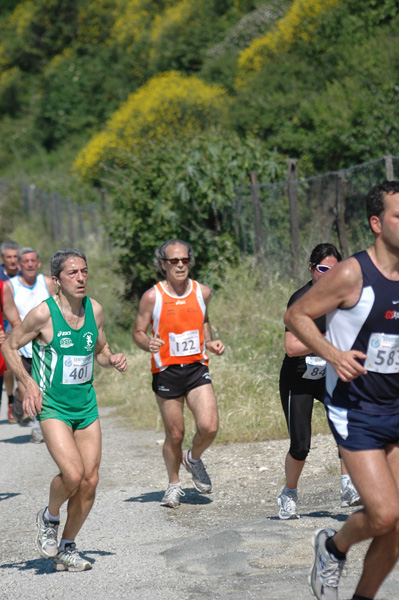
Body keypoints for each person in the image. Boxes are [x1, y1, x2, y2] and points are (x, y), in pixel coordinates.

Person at [284, 181, 399, 600]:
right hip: (356, 409)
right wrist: (333, 354)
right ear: (376, 223)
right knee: (385, 513)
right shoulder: (352, 273)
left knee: (397, 524)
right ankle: (332, 548)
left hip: (395, 405)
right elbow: (296, 315)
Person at [2, 248, 127, 572]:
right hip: (53, 406)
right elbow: (9, 345)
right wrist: (28, 383)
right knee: (72, 474)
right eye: (73, 273)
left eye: (84, 271)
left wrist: (111, 359)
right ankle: (49, 517)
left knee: (89, 480)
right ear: (56, 280)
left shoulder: (95, 310)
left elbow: (99, 349)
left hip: (85, 406)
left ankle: (67, 547)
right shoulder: (43, 315)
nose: (81, 278)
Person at [133, 239, 225, 509]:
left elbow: (203, 320)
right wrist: (145, 343)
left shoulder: (202, 292)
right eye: (174, 261)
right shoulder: (153, 296)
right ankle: (174, 485)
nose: (181, 265)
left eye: (185, 260)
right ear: (163, 265)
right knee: (175, 433)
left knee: (209, 426)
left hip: (196, 368)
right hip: (167, 372)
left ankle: (193, 458)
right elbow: (138, 330)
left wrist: (209, 341)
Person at [278, 243, 360, 520]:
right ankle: (289, 493)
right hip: (299, 377)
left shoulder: (345, 299)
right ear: (311, 269)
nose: (329, 274)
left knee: (348, 426)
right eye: (323, 269)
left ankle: (349, 487)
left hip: (330, 374)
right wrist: (325, 341)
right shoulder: (300, 300)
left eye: (335, 269)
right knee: (300, 445)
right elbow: (291, 347)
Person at [7, 247, 56, 441]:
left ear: (38, 263)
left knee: (42, 387)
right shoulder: (10, 286)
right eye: (25, 261)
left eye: (32, 261)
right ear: (19, 265)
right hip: (21, 345)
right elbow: (13, 319)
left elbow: (56, 309)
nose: (29, 264)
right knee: (24, 389)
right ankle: (18, 400)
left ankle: (38, 426)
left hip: (44, 345)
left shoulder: (47, 283)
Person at [0, 240, 20, 422]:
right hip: (5, 323)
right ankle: (11, 402)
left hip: (22, 320)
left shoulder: (26, 274)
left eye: (15, 256)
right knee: (7, 366)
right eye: (9, 257)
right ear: (3, 259)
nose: (13, 260)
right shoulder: (0, 276)